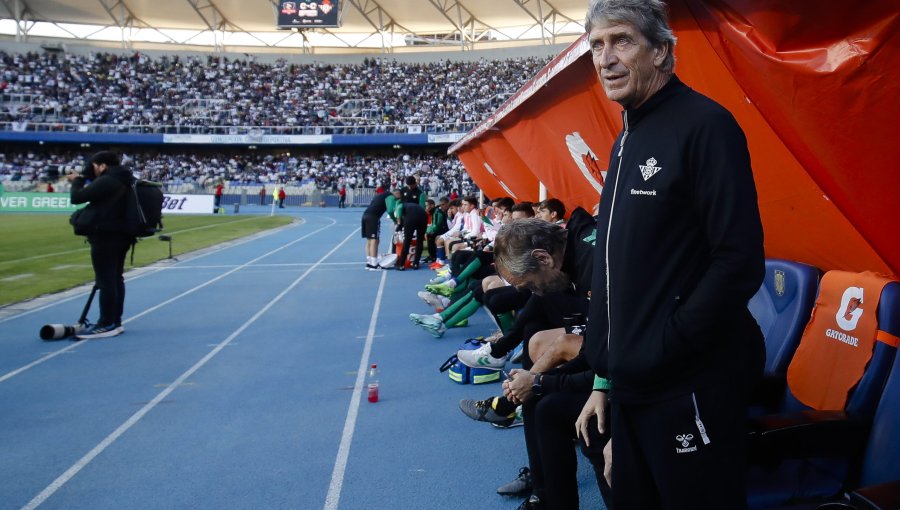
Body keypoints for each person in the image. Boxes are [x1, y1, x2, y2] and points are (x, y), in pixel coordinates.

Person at [577, 1, 766, 509]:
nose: (606, 58)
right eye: (596, 45)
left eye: (622, 41)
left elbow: (738, 260)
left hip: (687, 384)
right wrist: (605, 376)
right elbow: (615, 272)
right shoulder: (625, 139)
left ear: (661, 51)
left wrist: (665, 345)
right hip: (633, 387)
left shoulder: (706, 125)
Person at [67, 151, 135, 339]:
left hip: (106, 234)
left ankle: (107, 322)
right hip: (121, 234)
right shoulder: (124, 178)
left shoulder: (109, 180)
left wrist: (77, 180)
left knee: (106, 280)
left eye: (94, 166)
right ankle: (115, 321)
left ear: (102, 166)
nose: (93, 169)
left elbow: (78, 197)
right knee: (115, 278)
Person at [360, 188, 398, 270]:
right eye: (398, 197)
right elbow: (390, 210)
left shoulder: (380, 195)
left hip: (365, 215)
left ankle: (369, 262)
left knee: (369, 240)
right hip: (373, 217)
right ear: (396, 193)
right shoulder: (390, 196)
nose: (397, 199)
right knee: (374, 240)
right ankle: (374, 264)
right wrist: (395, 220)